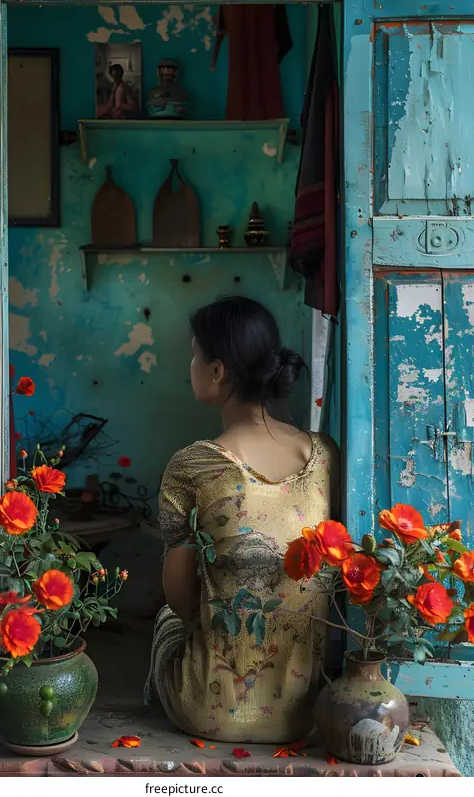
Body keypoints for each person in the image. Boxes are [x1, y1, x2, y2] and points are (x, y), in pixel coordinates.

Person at [144, 296, 338, 744]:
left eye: (195, 355)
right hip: (305, 715)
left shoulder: (194, 466)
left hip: (208, 712)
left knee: (165, 620)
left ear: (217, 371)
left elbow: (180, 600)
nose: (190, 366)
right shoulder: (325, 454)